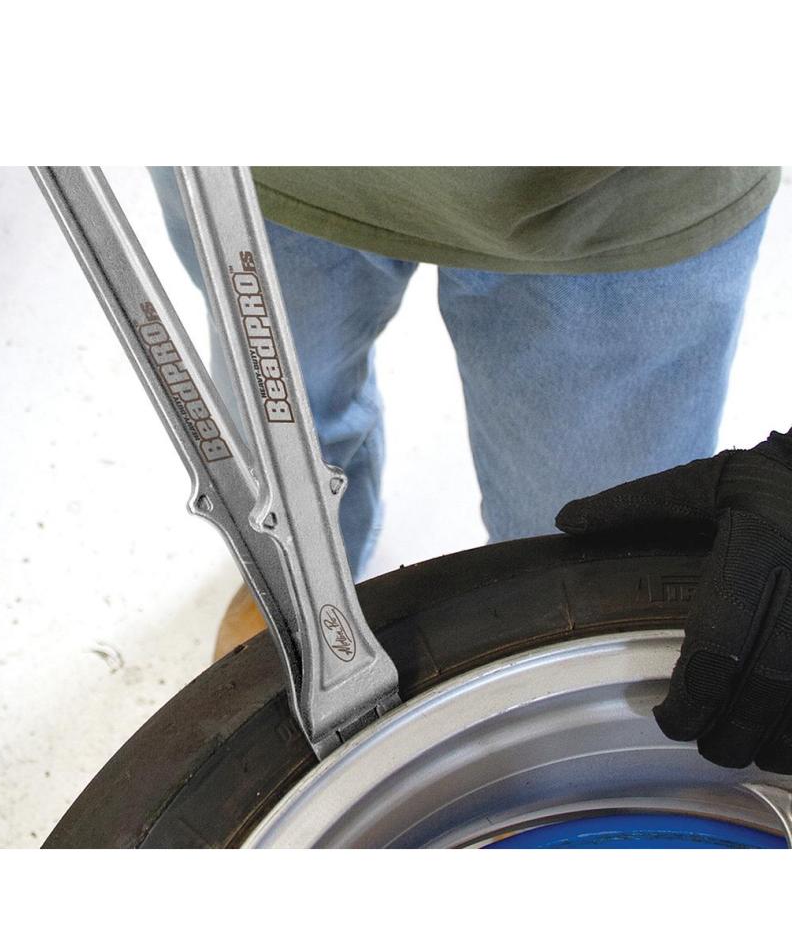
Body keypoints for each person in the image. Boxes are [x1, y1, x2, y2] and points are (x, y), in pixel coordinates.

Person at [152, 166, 792, 774]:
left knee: (586, 555)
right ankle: (310, 606)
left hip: (617, 204)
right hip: (260, 176)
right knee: (279, 457)